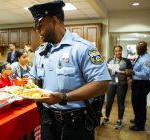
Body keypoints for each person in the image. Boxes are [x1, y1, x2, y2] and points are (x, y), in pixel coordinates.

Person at [26, 1, 111, 140]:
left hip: (76, 123)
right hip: (48, 122)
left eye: (40, 26)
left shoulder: (83, 48)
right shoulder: (40, 52)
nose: (37, 30)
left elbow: (102, 84)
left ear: (54, 21)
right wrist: (29, 90)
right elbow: (33, 77)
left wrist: (64, 98)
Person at [102, 45, 132, 129]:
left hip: (122, 85)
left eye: (119, 51)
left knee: (120, 102)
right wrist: (106, 69)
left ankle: (119, 120)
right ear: (114, 52)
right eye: (116, 51)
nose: (118, 52)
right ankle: (106, 117)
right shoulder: (110, 60)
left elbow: (130, 72)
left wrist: (125, 73)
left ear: (122, 51)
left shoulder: (126, 61)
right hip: (111, 84)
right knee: (109, 102)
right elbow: (105, 71)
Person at [124, 41, 150, 131]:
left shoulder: (146, 59)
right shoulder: (140, 56)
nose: (137, 51)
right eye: (137, 49)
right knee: (135, 102)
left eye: (140, 49)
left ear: (145, 49)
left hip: (142, 83)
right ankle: (137, 119)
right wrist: (131, 77)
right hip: (136, 82)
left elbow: (146, 74)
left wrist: (133, 73)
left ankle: (140, 125)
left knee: (140, 104)